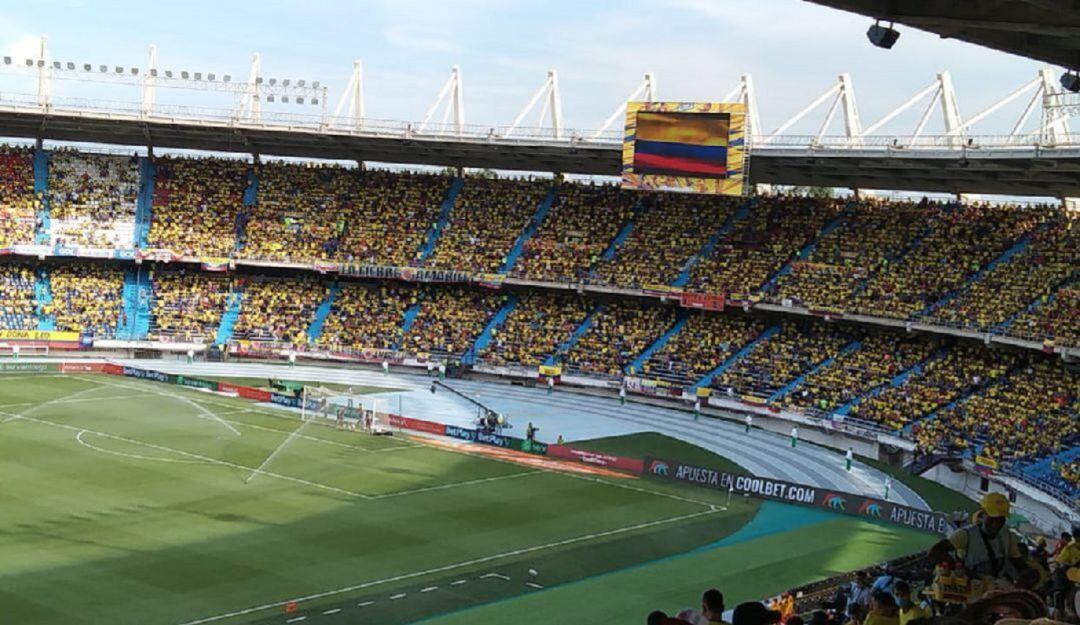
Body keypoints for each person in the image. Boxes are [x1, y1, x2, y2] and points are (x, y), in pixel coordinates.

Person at [928, 491, 1033, 587]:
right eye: (992, 519)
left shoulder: (1006, 535)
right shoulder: (965, 535)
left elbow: (1018, 561)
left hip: (995, 587)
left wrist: (1027, 573)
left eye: (1000, 520)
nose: (995, 525)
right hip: (969, 588)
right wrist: (958, 568)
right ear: (983, 515)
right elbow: (935, 552)